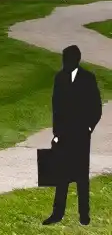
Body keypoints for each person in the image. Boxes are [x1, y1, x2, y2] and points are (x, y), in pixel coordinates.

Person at [48, 44, 101, 225]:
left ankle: (84, 215)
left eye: (67, 59)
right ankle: (57, 213)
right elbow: (56, 108)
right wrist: (56, 133)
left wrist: (89, 128)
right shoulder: (59, 78)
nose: (65, 62)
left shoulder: (88, 79)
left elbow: (96, 107)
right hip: (63, 134)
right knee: (61, 175)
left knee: (81, 176)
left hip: (80, 134)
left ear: (75, 60)